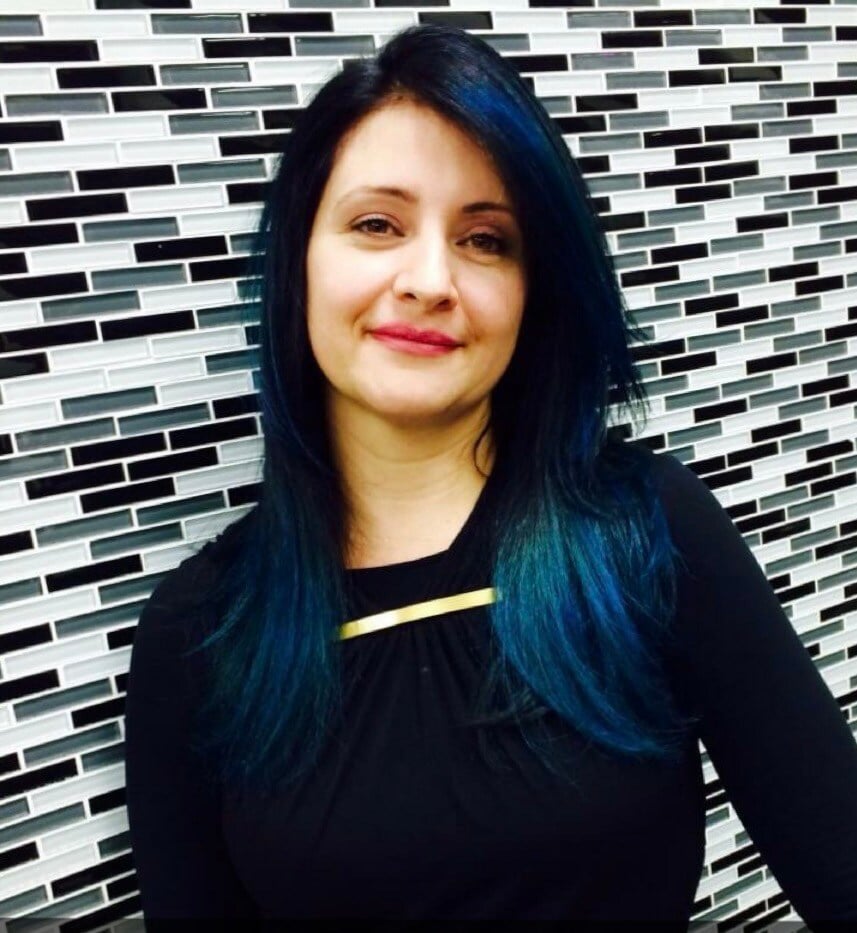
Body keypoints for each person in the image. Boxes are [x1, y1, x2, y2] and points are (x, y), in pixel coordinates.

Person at [123, 23, 857, 930]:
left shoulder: (645, 533)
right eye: (376, 224)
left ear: (532, 291)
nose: (430, 279)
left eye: (485, 239)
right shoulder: (198, 635)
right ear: (298, 262)